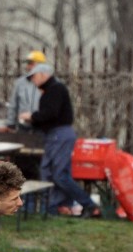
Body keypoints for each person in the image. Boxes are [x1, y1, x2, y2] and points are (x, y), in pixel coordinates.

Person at [19, 63, 101, 219]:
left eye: (34, 77)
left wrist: (32, 117)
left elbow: (50, 113)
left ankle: (89, 205)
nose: (33, 81)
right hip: (55, 135)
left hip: (59, 135)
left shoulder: (55, 89)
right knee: (49, 171)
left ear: (44, 74)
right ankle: (56, 207)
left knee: (59, 175)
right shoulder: (50, 90)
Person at [4, 50, 45, 133]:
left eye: (31, 63)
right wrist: (10, 123)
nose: (28, 66)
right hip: (23, 127)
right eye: (28, 64)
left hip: (42, 127)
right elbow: (13, 104)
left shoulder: (49, 83)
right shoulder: (20, 83)